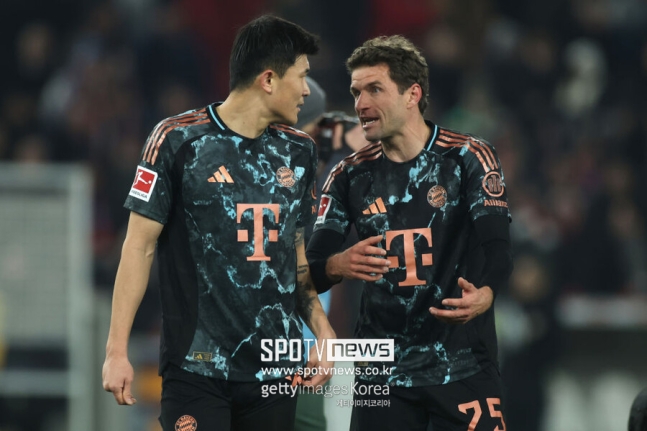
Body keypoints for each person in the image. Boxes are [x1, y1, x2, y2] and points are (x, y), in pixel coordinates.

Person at [101, 15, 336, 431]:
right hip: (196, 368)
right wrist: (116, 351)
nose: (306, 90)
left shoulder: (300, 152)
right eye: (301, 77)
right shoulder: (176, 140)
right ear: (268, 79)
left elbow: (295, 257)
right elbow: (139, 246)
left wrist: (321, 327)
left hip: (274, 371)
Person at [306, 35, 513, 431]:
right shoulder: (348, 175)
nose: (360, 104)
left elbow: (498, 248)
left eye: (374, 89)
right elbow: (311, 270)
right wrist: (337, 264)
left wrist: (486, 293)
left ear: (412, 94)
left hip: (461, 362)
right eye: (355, 92)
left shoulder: (467, 157)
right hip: (382, 372)